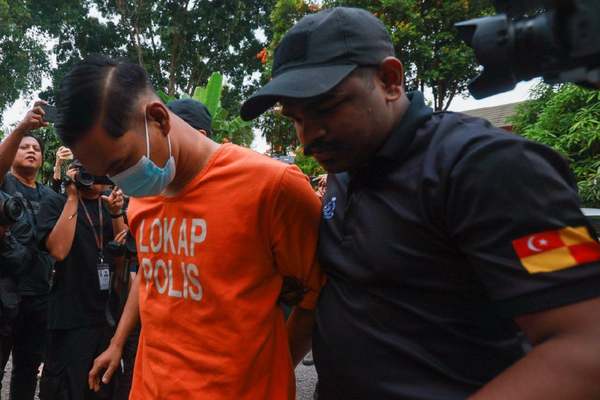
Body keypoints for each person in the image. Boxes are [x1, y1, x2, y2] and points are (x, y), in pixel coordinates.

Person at [241, 7, 600, 399]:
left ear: (390, 80)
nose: (308, 139)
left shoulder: (493, 169)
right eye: (296, 118)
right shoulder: (346, 170)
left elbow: (585, 346)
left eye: (326, 108)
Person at [55, 55, 323, 400]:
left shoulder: (272, 187)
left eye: (120, 163)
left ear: (158, 118)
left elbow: (317, 299)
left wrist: (263, 371)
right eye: (108, 175)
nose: (120, 180)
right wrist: (117, 343)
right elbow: (153, 276)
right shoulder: (144, 196)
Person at [37, 161, 125, 400]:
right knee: (66, 390)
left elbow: (122, 261)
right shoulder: (56, 201)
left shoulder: (109, 204)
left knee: (101, 389)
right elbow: (58, 251)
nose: (92, 176)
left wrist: (117, 213)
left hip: (105, 318)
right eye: (85, 170)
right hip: (69, 316)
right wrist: (72, 196)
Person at [0, 103, 55, 400]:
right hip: (4, 295)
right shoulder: (4, 184)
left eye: (36, 147)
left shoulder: (50, 196)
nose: (31, 149)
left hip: (38, 299)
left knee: (26, 372)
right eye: (23, 146)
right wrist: (22, 128)